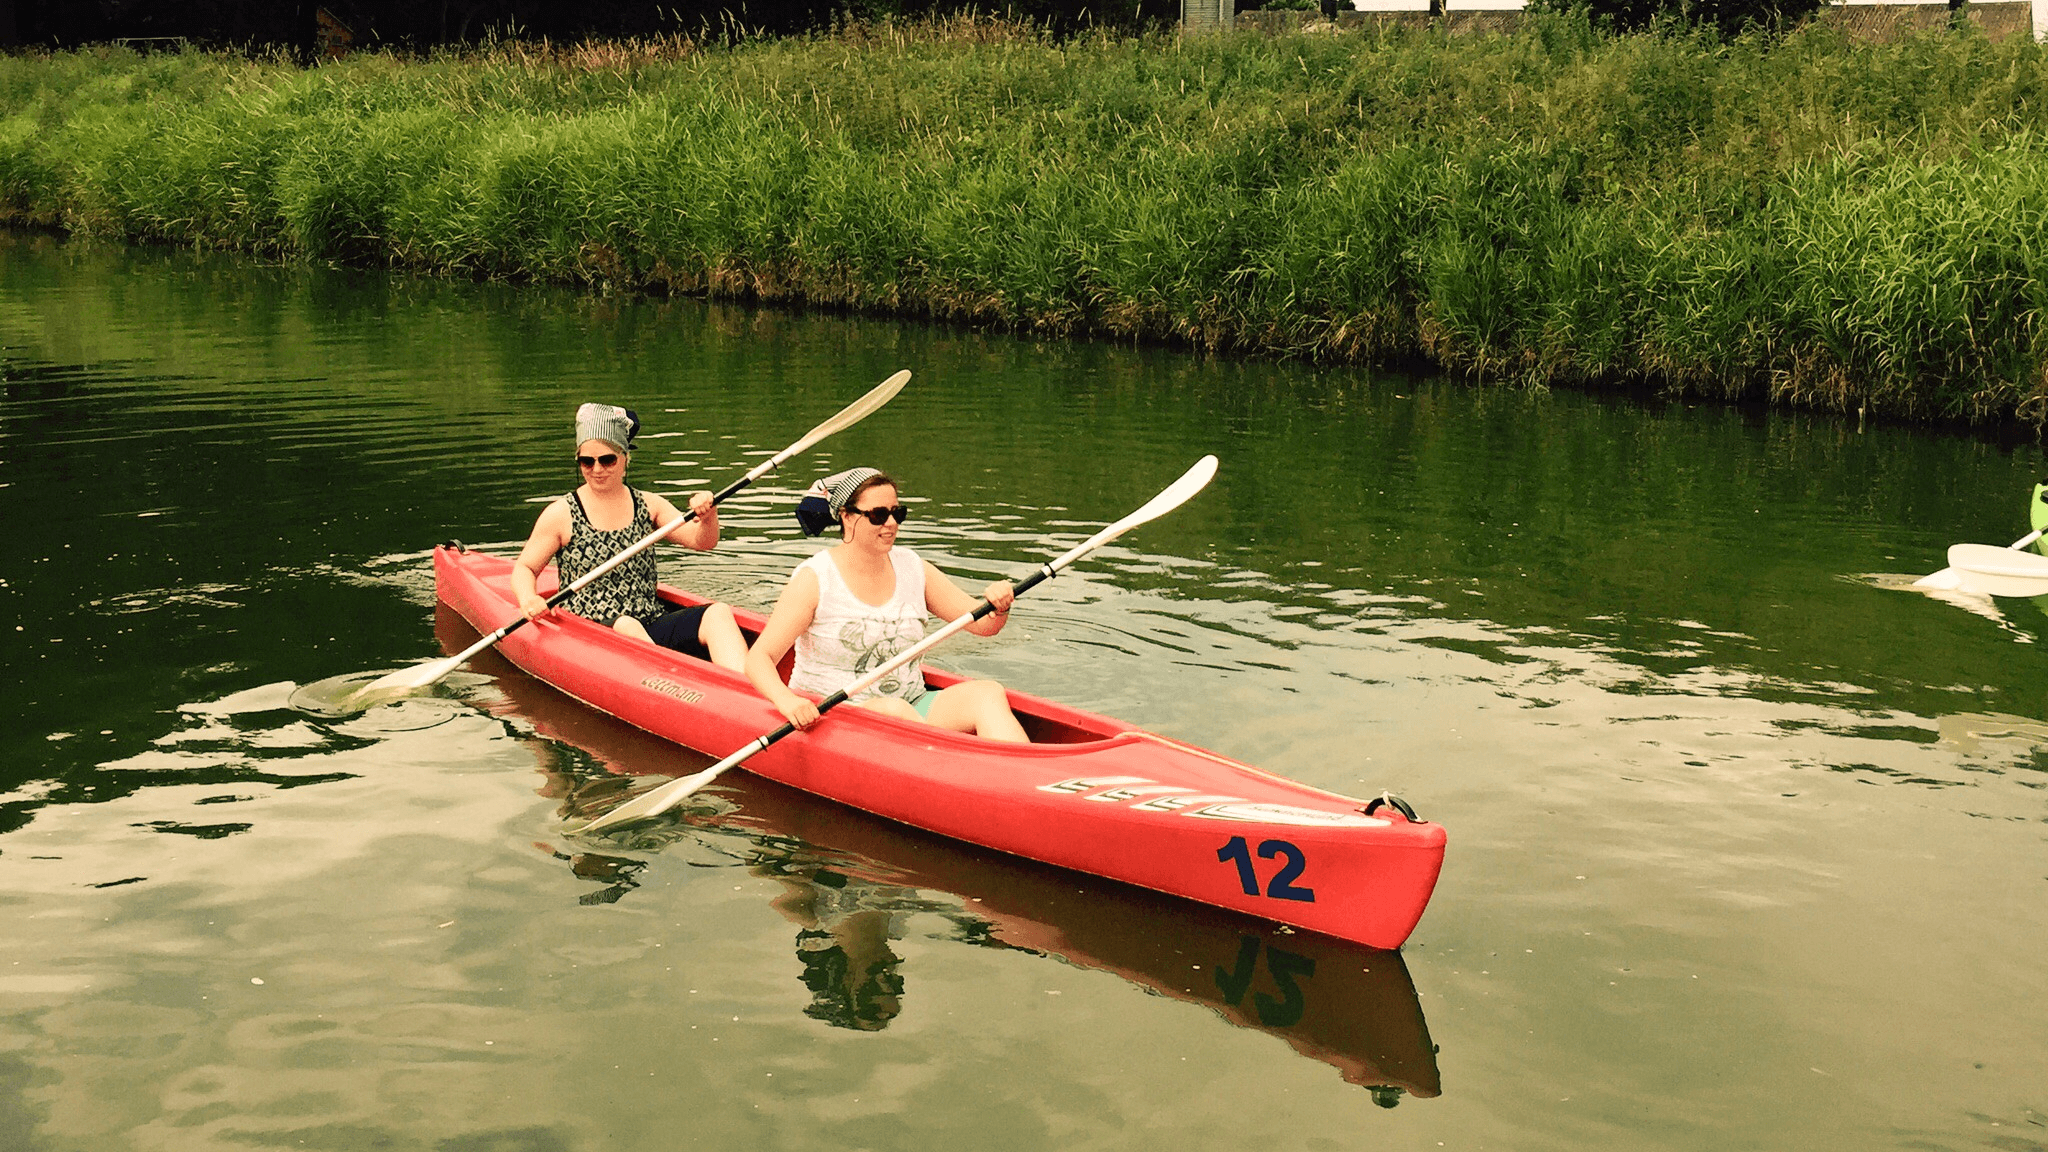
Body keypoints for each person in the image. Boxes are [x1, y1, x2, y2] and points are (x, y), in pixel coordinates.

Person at [745, 468, 1030, 742]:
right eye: (878, 515)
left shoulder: (913, 568)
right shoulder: (815, 579)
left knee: (987, 693)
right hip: (835, 716)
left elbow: (984, 624)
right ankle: (950, 773)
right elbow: (760, 659)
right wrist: (788, 703)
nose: (891, 523)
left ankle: (1023, 784)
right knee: (894, 710)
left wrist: (998, 604)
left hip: (912, 703)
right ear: (846, 516)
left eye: (897, 513)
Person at [510, 403, 747, 672]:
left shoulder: (650, 505)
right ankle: (673, 683)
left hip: (650, 619)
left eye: (607, 459)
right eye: (587, 461)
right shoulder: (561, 513)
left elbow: (702, 542)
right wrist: (529, 598)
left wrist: (708, 516)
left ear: (625, 457)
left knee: (718, 613)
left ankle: (747, 691)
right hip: (590, 629)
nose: (597, 469)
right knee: (626, 625)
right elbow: (525, 567)